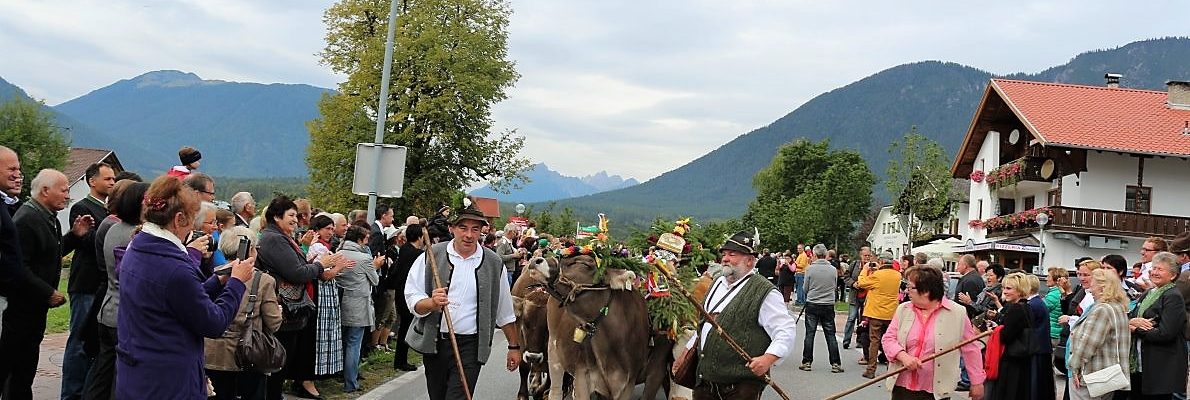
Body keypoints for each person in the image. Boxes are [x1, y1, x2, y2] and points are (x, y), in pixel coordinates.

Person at [114, 175, 255, 398]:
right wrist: (237, 283)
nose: (193, 227)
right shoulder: (173, 266)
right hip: (168, 380)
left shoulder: (137, 247)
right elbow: (213, 323)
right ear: (178, 219)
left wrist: (218, 281)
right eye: (192, 219)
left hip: (137, 371)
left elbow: (176, 300)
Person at [404, 203, 521, 400]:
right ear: (452, 228)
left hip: (471, 345)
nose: (469, 235)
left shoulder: (493, 263)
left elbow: (504, 310)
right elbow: (412, 297)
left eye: (475, 229)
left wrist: (514, 347)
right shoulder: (432, 255)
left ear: (482, 231)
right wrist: (431, 303)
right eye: (463, 228)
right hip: (436, 343)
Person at [675, 229, 796, 399]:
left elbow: (786, 330)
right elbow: (704, 325)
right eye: (724, 254)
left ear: (749, 261)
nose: (725, 258)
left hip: (740, 388)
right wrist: (686, 352)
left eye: (732, 254)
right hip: (705, 384)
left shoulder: (764, 292)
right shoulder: (716, 283)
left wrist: (768, 358)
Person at [255, 197, 353, 400]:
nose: (295, 220)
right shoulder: (274, 239)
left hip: (291, 309)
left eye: (296, 215)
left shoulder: (282, 237)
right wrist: (321, 264)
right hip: (284, 308)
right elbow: (297, 272)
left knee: (282, 363)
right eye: (291, 215)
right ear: (276, 217)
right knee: (277, 363)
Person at [1, 169, 80, 399]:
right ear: (45, 191)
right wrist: (47, 292)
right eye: (64, 190)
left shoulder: (48, 217)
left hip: (34, 311)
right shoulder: (27, 219)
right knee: (13, 368)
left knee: (25, 369)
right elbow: (18, 265)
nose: (67, 195)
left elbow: (48, 255)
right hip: (19, 310)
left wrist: (74, 236)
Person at [84, 180, 149, 400]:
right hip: (125, 314)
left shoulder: (113, 228)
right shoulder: (137, 236)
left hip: (108, 309)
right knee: (120, 378)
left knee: (102, 373)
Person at [882, 266, 986, 400]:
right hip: (903, 388)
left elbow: (971, 349)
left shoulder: (957, 313)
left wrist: (976, 382)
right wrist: (903, 356)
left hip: (936, 391)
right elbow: (888, 339)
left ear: (926, 291)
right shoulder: (903, 309)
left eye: (911, 287)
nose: (907, 291)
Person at [204, 226, 282, 400]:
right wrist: (280, 312)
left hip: (213, 353)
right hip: (247, 354)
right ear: (250, 250)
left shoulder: (215, 275)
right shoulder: (263, 280)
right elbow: (274, 323)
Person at [58, 163, 115, 400]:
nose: (112, 182)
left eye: (114, 179)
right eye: (108, 178)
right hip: (86, 283)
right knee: (80, 341)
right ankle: (71, 393)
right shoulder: (82, 207)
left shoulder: (109, 209)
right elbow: (88, 242)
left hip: (102, 285)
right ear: (92, 181)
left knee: (95, 343)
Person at [1128, 252, 1187, 399]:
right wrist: (1132, 321)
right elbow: (1132, 315)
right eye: (1153, 268)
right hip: (1141, 361)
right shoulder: (1149, 292)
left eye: (1160, 269)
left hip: (1160, 365)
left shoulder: (1172, 296)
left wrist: (1137, 329)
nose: (1154, 272)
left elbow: (1166, 333)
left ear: (1173, 275)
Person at [1066, 268, 1131, 400]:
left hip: (1092, 376)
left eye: (1093, 285)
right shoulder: (1118, 307)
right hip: (1108, 375)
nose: (1091, 290)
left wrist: (1075, 368)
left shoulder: (1102, 309)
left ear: (1103, 287)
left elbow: (1088, 344)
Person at [336, 225, 382, 393]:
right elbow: (375, 281)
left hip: (341, 301)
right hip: (359, 303)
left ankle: (341, 375)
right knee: (354, 344)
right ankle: (351, 382)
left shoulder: (338, 253)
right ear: (359, 239)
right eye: (366, 238)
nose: (368, 241)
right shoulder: (363, 258)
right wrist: (376, 265)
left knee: (343, 341)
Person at [856, 250, 902, 379]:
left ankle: (871, 369)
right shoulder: (897, 275)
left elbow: (862, 283)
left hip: (876, 312)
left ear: (881, 261)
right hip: (891, 313)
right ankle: (890, 369)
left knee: (874, 341)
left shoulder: (877, 275)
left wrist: (865, 270)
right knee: (891, 340)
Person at [800, 244, 844, 372]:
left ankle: (807, 361)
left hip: (813, 303)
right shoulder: (832, 269)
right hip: (828, 304)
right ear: (825, 255)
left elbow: (805, 288)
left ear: (814, 255)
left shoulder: (810, 269)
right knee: (830, 334)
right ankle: (835, 363)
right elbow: (834, 286)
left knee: (810, 333)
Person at [391, 224, 425, 371]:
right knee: (405, 327)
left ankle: (401, 359)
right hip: (407, 294)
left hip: (400, 292)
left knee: (404, 326)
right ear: (419, 237)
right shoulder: (416, 254)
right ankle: (401, 360)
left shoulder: (404, 249)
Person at [842, 247, 872, 350]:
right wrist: (853, 283)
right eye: (865, 255)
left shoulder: (873, 267)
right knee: (851, 317)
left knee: (863, 320)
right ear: (861, 255)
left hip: (867, 297)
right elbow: (846, 277)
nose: (867, 258)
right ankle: (846, 340)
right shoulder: (854, 264)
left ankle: (860, 341)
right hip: (855, 295)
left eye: (868, 256)